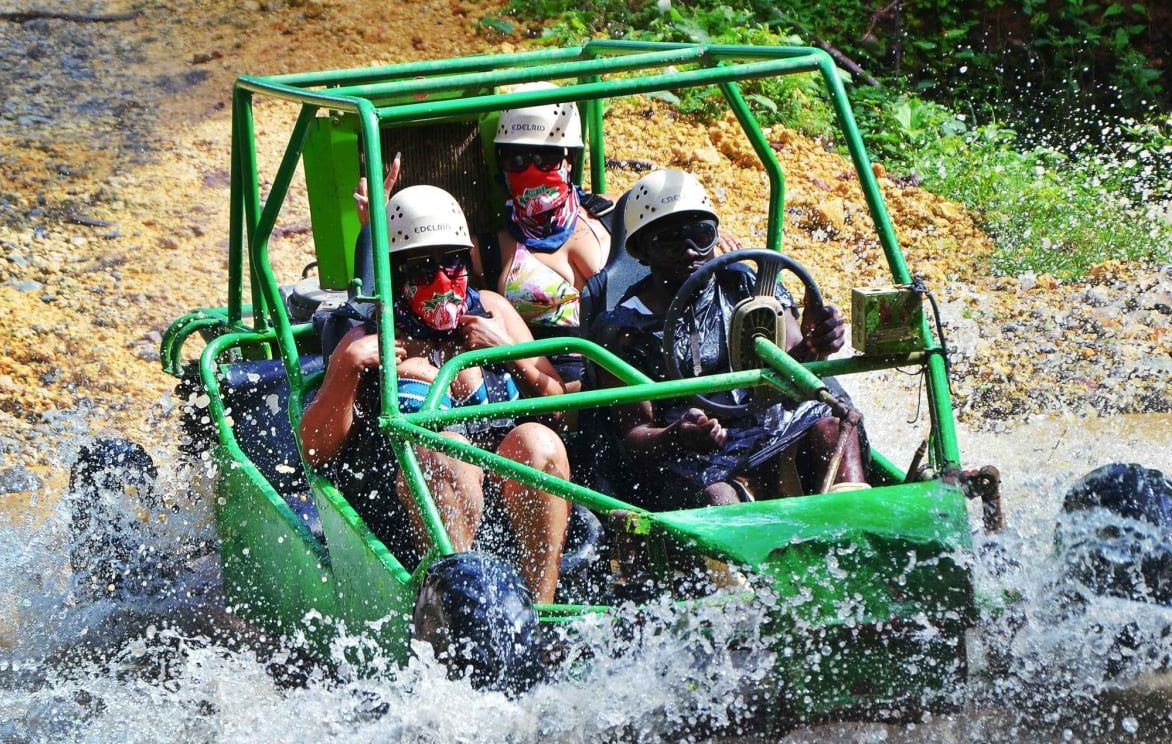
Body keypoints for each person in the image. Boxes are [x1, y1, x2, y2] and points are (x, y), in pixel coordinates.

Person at [300, 184, 572, 604]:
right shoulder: (366, 336)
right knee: (445, 453)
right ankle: (461, 610)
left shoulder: (494, 312)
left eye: (453, 263)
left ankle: (542, 614)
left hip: (503, 502)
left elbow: (563, 410)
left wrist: (513, 355)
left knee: (539, 442)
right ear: (395, 275)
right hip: (406, 509)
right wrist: (347, 369)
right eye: (424, 269)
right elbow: (315, 451)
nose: (443, 280)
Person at [593, 169, 868, 509]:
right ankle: (749, 559)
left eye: (701, 235)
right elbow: (634, 435)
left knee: (834, 425)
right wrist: (678, 435)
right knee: (718, 498)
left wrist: (816, 344)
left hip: (768, 425)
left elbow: (794, 362)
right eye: (669, 241)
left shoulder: (742, 284)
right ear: (642, 252)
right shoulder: (623, 329)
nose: (689, 251)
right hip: (692, 456)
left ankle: (857, 524)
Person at [489, 94, 612, 392]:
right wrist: (371, 229)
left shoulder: (613, 214)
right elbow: (413, 280)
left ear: (569, 160)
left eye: (546, 158)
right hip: (558, 388)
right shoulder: (490, 251)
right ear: (501, 164)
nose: (532, 171)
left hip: (630, 368)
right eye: (517, 159)